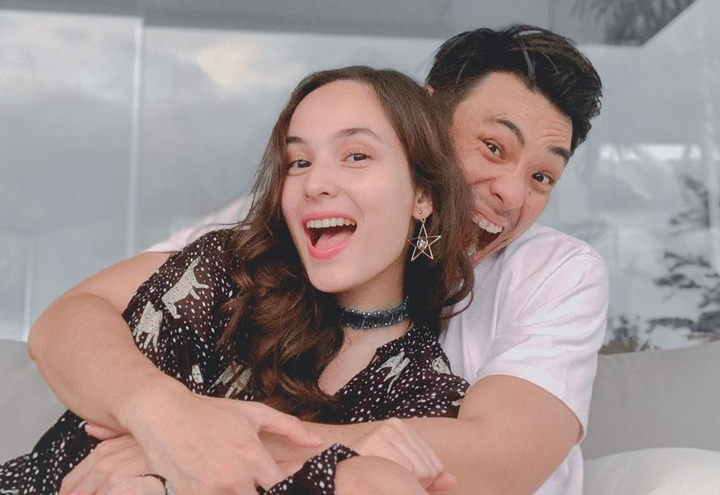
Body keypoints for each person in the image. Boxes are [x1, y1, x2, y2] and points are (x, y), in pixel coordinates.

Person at [27, 25, 607, 494]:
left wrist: (200, 442)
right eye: (493, 147)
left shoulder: (551, 275)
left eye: (542, 177)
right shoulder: (283, 226)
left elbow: (495, 462)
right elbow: (74, 317)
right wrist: (161, 415)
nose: (511, 192)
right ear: (424, 123)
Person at [0, 66, 476, 494]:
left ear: (423, 195)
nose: (315, 184)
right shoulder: (233, 269)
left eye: (355, 156)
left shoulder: (423, 393)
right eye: (299, 162)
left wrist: (172, 462)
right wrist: (164, 416)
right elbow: (60, 325)